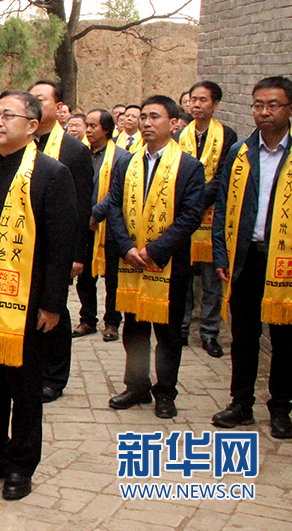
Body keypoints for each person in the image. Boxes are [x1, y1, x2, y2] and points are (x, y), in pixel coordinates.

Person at [0, 90, 75, 500]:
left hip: (25, 302)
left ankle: (21, 464)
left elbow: (61, 247)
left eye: (9, 115)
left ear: (32, 126)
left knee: (23, 387)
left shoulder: (51, 174)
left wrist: (52, 304)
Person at [106, 95, 205, 419]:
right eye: (144, 117)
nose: (147, 123)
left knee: (168, 332)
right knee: (133, 328)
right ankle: (136, 385)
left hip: (169, 263)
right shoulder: (126, 162)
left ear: (174, 123)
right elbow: (114, 207)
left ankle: (165, 392)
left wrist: (156, 250)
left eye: (155, 118)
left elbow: (191, 216)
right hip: (131, 261)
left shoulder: (190, 166)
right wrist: (127, 247)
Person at [211, 76, 292, 438]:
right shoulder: (240, 153)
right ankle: (241, 403)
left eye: (273, 105)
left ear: (289, 109)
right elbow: (224, 204)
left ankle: (280, 407)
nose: (264, 112)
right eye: (258, 105)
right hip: (245, 257)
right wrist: (221, 255)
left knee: (285, 339)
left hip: (285, 261)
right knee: (243, 335)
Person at [29, 80, 92, 402]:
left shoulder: (74, 151)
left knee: (56, 309)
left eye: (42, 99)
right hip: (23, 246)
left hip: (57, 247)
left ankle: (55, 376)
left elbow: (81, 208)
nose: (37, 104)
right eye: (32, 99)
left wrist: (77, 254)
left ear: (58, 107)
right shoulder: (21, 143)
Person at [179, 80, 238, 357]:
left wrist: (197, 199)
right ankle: (182, 327)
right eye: (193, 100)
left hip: (212, 216)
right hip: (184, 219)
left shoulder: (227, 135)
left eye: (203, 100)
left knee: (212, 281)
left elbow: (224, 177)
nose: (197, 105)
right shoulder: (181, 135)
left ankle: (209, 333)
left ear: (215, 104)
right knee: (185, 279)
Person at [74, 109, 132, 342]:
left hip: (110, 227)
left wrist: (96, 214)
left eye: (93, 126)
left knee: (112, 277)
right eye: (86, 125)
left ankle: (112, 321)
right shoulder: (81, 155)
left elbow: (117, 193)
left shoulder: (122, 157)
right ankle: (87, 319)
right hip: (85, 227)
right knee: (85, 275)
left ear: (106, 129)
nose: (88, 130)